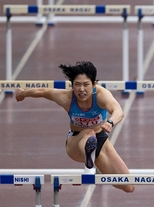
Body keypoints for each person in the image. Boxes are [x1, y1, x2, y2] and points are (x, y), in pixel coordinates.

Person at [14, 61, 135, 193]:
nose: (81, 89)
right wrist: (23, 94)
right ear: (72, 86)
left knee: (128, 186)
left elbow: (118, 111)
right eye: (77, 85)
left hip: (101, 140)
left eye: (86, 85)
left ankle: (94, 156)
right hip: (75, 141)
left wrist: (110, 122)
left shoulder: (101, 95)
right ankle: (88, 153)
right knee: (89, 132)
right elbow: (43, 91)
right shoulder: (67, 98)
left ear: (94, 84)